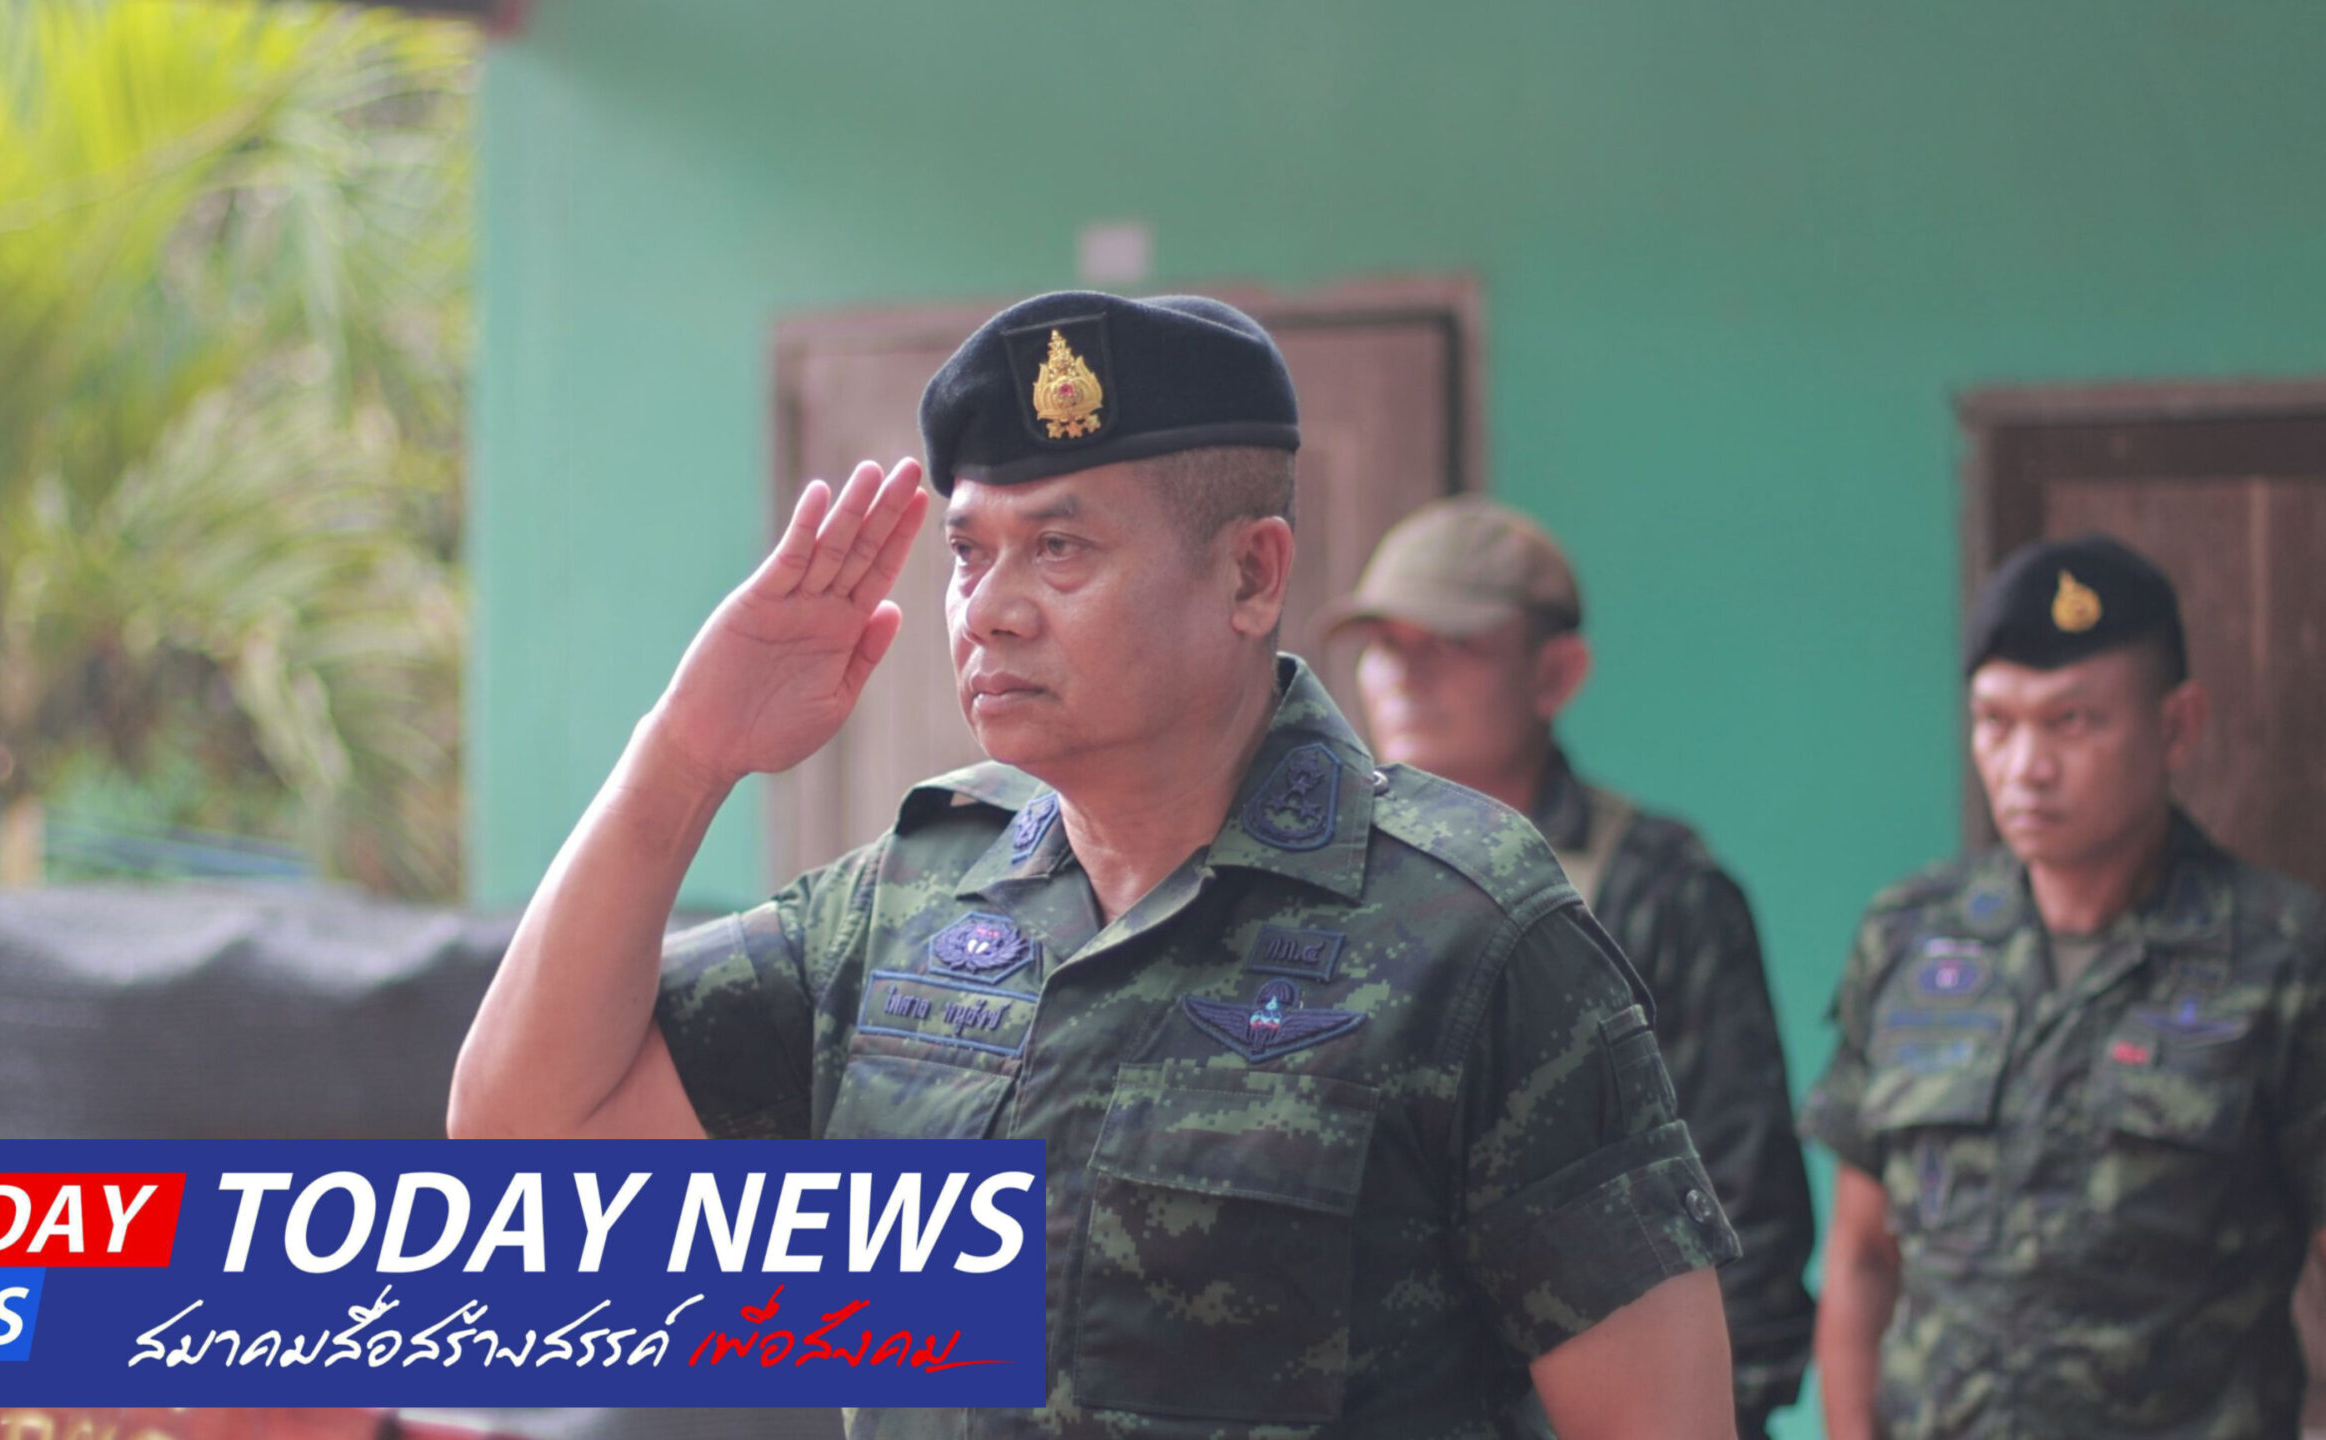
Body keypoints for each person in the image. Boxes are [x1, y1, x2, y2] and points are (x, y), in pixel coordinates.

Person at [449, 291, 1742, 1439]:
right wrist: (685, 756)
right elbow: (526, 1137)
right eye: (968, 552)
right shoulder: (904, 907)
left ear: (1250, 574)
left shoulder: (1468, 931)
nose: (989, 608)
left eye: (1059, 549)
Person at [1801, 534, 2326, 1440]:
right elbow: (1862, 1258)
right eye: (1995, 722)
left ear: (2177, 727)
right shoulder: (1912, 938)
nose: (2025, 768)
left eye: (2072, 722)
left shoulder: (2283, 958)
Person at [1319, 497, 1817, 1439]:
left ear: (1554, 674)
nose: (1404, 675)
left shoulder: (1658, 890)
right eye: (1384, 643)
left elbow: (1744, 1206)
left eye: (1452, 644)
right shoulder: (1312, 881)